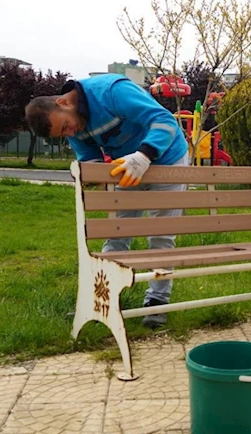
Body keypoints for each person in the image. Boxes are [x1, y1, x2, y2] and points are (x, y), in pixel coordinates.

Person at [25, 73, 190, 329]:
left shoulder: (112, 92)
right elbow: (91, 159)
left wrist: (144, 156)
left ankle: (157, 302)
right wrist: (93, 177)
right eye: (63, 133)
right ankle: (102, 299)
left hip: (168, 158)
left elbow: (164, 120)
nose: (71, 133)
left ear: (63, 102)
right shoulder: (73, 124)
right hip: (126, 168)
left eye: (66, 126)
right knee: (117, 234)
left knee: (161, 235)